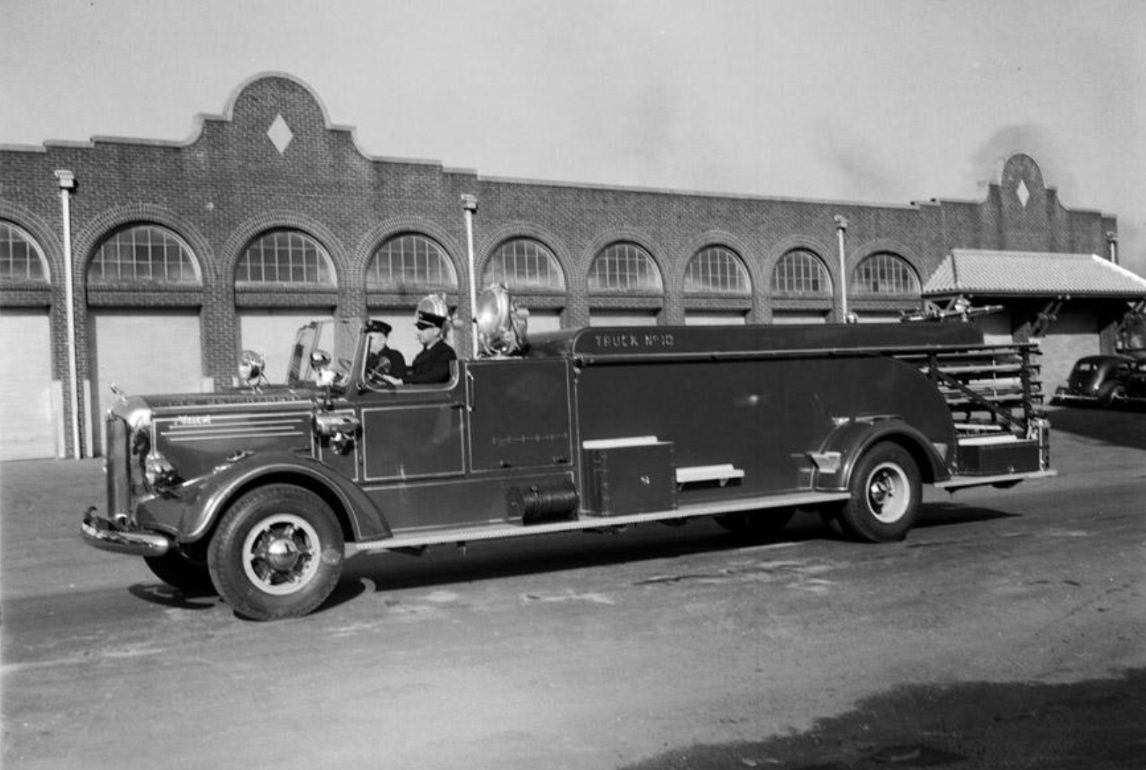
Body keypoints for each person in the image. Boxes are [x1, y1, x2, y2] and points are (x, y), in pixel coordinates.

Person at [407, 293, 457, 384]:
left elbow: (433, 377)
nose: (418, 332)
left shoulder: (445, 353)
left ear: (436, 331)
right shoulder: (422, 354)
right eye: (418, 328)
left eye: (422, 328)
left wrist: (404, 380)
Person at [364, 320, 407, 387]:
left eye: (371, 339)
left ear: (383, 340)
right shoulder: (365, 358)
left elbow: (397, 382)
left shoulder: (394, 356)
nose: (367, 342)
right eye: (366, 339)